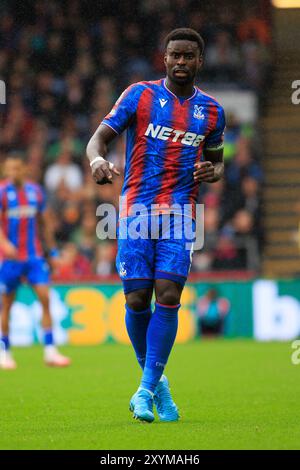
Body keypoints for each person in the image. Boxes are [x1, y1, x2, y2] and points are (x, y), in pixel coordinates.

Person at [86, 28, 225, 423]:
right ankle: (158, 386)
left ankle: (145, 390)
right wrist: (97, 162)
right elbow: (97, 141)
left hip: (181, 213)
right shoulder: (139, 95)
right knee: (135, 300)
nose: (180, 62)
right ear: (164, 59)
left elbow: (216, 163)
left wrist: (211, 171)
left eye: (188, 56)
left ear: (200, 60)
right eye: (174, 55)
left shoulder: (212, 111)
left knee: (167, 294)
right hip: (135, 211)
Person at [0, 154, 71, 369]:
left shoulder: (35, 192)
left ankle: (50, 351)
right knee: (7, 305)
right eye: (9, 169)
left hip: (34, 257)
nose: (13, 173)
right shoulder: (2, 193)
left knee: (45, 299)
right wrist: (4, 245)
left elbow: (44, 225)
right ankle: (5, 352)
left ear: (23, 170)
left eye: (16, 169)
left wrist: (53, 252)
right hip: (10, 260)